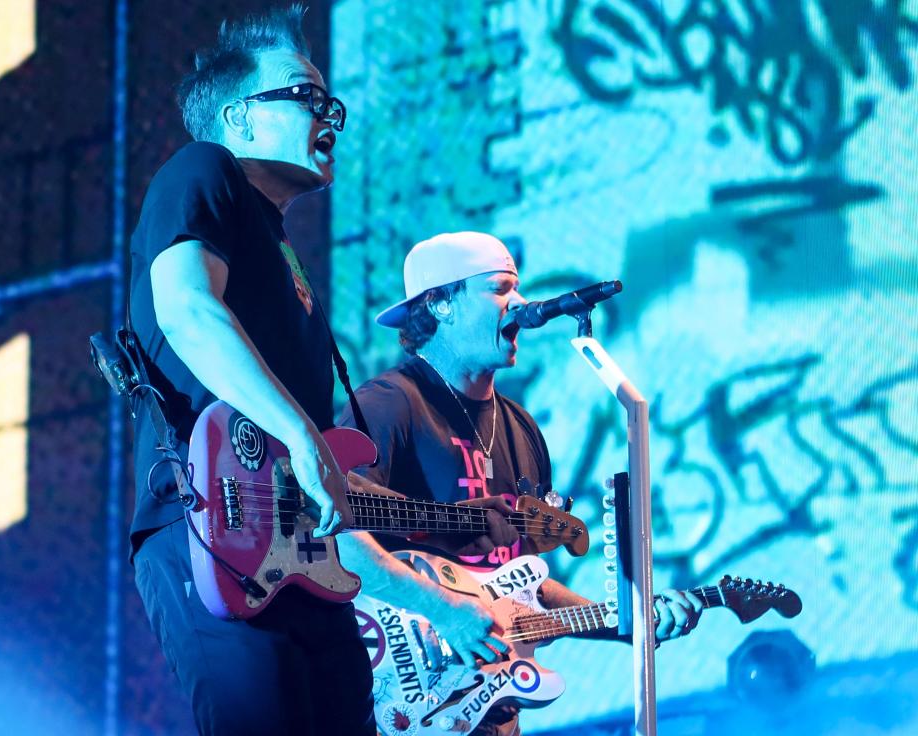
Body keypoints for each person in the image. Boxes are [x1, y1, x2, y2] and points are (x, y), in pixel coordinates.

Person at [337, 232, 704, 736]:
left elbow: (523, 584)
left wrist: (631, 621)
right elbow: (334, 530)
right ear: (441, 303)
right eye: (499, 288)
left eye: (517, 287)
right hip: (404, 700)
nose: (521, 305)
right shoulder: (388, 404)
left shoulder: (521, 429)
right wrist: (440, 608)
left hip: (494, 705)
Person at [126, 7, 373, 734]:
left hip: (296, 553)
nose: (329, 114)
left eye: (331, 100)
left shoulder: (280, 244)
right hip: (207, 523)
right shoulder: (201, 170)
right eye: (305, 95)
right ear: (238, 117)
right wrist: (303, 437)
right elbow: (189, 313)